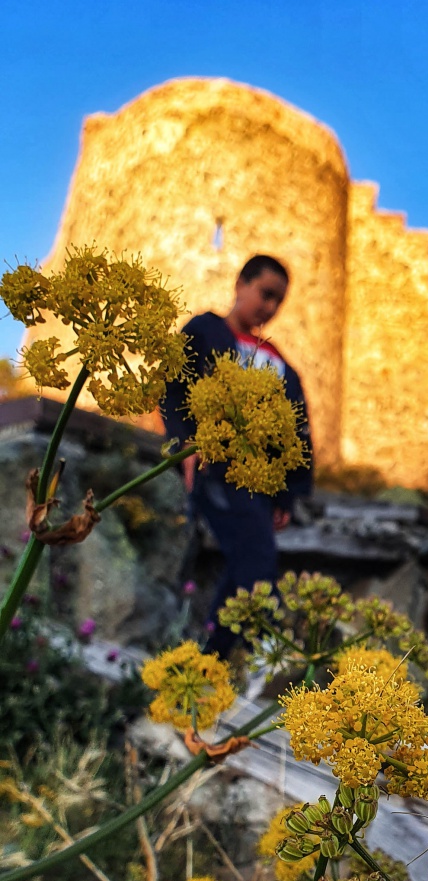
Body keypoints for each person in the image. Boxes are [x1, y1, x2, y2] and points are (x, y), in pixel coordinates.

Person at [162, 254, 313, 656]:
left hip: (257, 483)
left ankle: (211, 657)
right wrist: (183, 445)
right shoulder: (204, 330)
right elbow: (174, 389)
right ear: (240, 285)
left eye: (278, 301)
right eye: (265, 294)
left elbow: (295, 430)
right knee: (257, 558)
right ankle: (264, 647)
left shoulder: (281, 363)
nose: (270, 307)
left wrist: (287, 493)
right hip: (213, 471)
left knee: (247, 557)